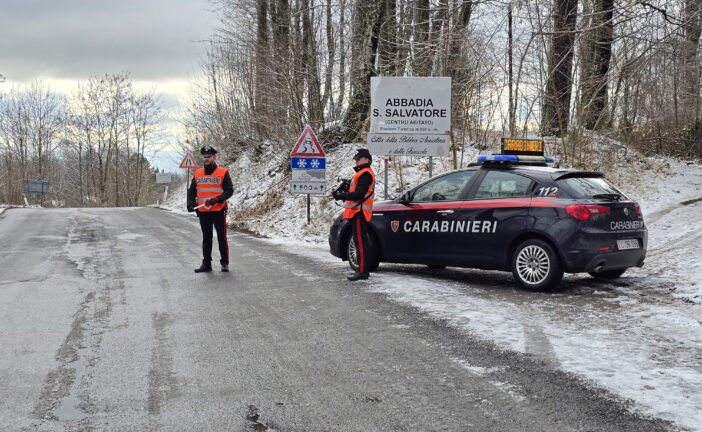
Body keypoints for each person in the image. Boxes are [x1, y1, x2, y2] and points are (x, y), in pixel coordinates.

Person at [187, 146, 234, 273]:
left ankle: (224, 263)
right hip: (203, 212)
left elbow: (229, 190)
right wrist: (190, 203)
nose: (206, 159)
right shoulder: (197, 173)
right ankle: (206, 264)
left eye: (209, 157)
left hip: (218, 210)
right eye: (205, 157)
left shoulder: (223, 172)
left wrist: (217, 199)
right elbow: (192, 191)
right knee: (206, 238)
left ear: (214, 157)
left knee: (221, 237)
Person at [332, 148, 376, 281]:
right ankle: (362, 270)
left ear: (367, 159)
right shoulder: (361, 173)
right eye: (356, 158)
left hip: (359, 212)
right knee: (359, 242)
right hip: (356, 212)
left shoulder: (365, 174)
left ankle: (363, 271)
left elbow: (359, 194)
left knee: (361, 243)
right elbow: (356, 192)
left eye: (359, 158)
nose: (356, 160)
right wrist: (345, 190)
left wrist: (342, 195)